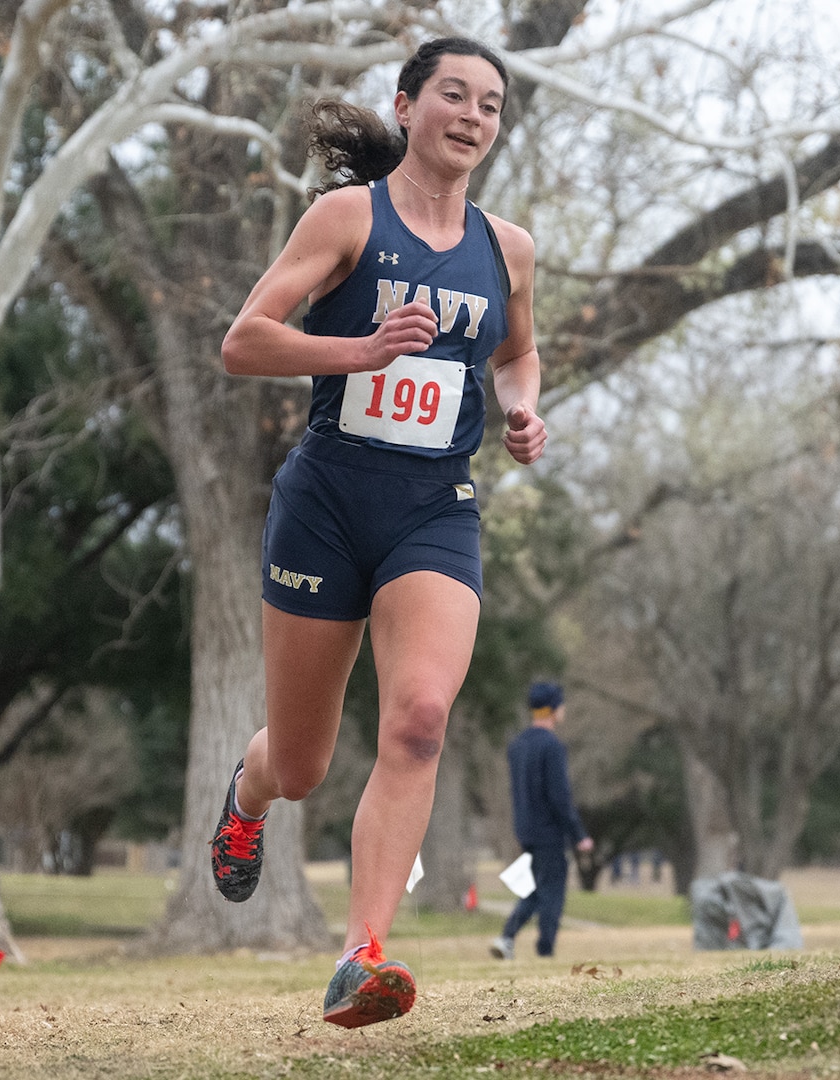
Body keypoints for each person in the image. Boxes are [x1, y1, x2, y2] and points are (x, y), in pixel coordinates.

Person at [209, 36, 547, 1029]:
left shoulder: (509, 248)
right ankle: (247, 792)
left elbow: (520, 355)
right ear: (406, 107)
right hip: (323, 505)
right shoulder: (346, 217)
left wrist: (525, 409)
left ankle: (360, 956)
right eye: (454, 95)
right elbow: (244, 341)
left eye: (489, 103)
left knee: (419, 720)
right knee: (304, 763)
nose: (473, 115)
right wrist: (357, 348)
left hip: (432, 509)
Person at [491, 682, 593, 960]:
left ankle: (507, 937)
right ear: (553, 709)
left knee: (536, 888)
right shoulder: (552, 746)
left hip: (525, 829)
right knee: (552, 892)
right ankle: (545, 949)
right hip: (549, 832)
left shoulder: (517, 746)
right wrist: (578, 834)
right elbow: (560, 797)